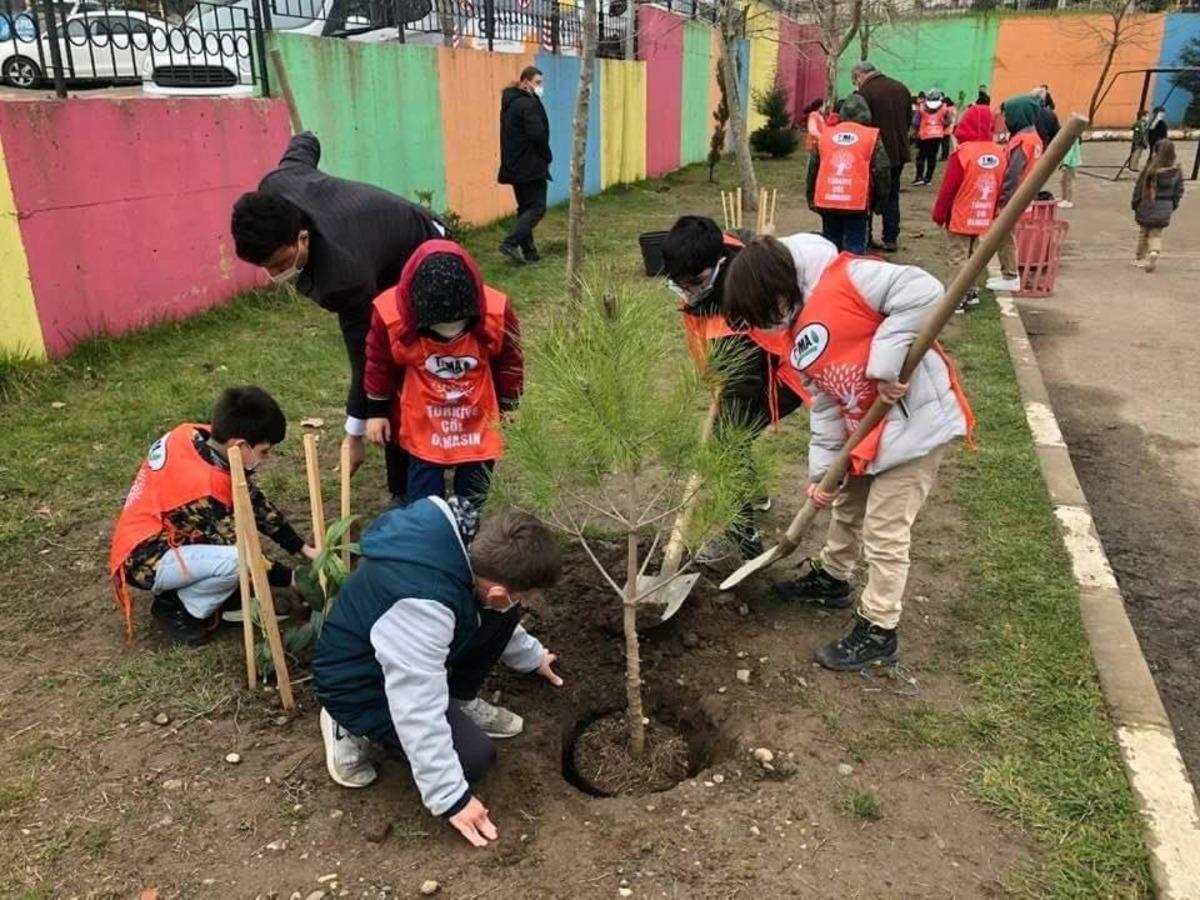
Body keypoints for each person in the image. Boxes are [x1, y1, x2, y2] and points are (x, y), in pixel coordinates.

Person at [720, 236, 974, 671]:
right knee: (848, 507)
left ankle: (879, 628)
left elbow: (926, 290)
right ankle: (833, 578)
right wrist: (824, 473)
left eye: (766, 310)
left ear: (779, 285)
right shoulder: (795, 332)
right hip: (864, 433)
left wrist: (886, 362)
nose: (770, 322)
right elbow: (824, 403)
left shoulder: (849, 278)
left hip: (913, 429)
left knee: (884, 530)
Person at [312, 499, 563, 847]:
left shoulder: (470, 546)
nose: (528, 602)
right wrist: (451, 798)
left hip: (406, 656)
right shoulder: (424, 605)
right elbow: (416, 706)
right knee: (473, 760)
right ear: (497, 590)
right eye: (526, 595)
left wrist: (533, 657)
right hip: (358, 683)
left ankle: (460, 701)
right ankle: (346, 723)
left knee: (502, 614)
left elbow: (497, 617)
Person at [231, 133, 448, 505]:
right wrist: (308, 136)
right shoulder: (278, 185)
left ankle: (409, 486)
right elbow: (303, 146)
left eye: (281, 264)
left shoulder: (343, 276)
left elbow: (366, 355)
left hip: (422, 251)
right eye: (268, 268)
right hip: (377, 242)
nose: (277, 275)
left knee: (404, 367)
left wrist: (355, 433)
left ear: (302, 238)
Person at [108, 387, 317, 644]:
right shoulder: (203, 489)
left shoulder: (195, 435)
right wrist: (295, 579)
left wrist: (301, 548)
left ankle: (202, 584)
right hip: (144, 558)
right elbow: (247, 553)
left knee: (230, 557)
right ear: (240, 445)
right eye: (264, 451)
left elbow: (253, 502)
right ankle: (179, 607)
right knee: (237, 560)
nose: (267, 458)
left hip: (157, 530)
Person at [660, 216, 812, 561]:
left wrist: (723, 415)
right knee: (732, 439)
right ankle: (755, 494)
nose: (688, 291)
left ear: (719, 264)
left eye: (695, 282)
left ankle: (741, 537)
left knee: (725, 444)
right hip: (739, 368)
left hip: (775, 376)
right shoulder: (716, 257)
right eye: (679, 283)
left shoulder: (736, 307)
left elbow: (743, 384)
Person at [363, 242, 522, 506]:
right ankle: (425, 522)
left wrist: (510, 404)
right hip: (423, 417)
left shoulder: (496, 311)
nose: (448, 339)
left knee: (473, 492)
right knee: (423, 496)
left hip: (476, 416)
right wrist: (376, 411)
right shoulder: (390, 314)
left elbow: (510, 360)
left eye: (459, 329)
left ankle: (467, 523)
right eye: (438, 331)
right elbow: (379, 363)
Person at [931, 104, 1008, 312]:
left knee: (958, 257)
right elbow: (1000, 185)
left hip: (961, 214)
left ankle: (955, 299)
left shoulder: (962, 153)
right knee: (975, 257)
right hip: (984, 213)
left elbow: (949, 188)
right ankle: (971, 291)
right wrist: (993, 210)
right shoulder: (1000, 153)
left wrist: (939, 214)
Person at [806, 94, 891, 254]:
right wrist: (881, 202)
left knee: (830, 247)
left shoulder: (826, 135)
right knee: (854, 249)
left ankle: (831, 269)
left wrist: (810, 196)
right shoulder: (871, 137)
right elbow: (882, 170)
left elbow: (813, 168)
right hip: (856, 202)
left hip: (828, 199)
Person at [985, 95, 1045, 294]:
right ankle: (1008, 274)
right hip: (1023, 196)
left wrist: (1002, 201)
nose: (1005, 119)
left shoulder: (1022, 141)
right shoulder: (1034, 138)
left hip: (1014, 198)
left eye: (1007, 115)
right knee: (1006, 236)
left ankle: (1010, 276)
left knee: (1005, 236)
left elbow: (1012, 174)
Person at [852, 61, 912, 253]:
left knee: (867, 195)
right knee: (892, 195)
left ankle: (866, 236)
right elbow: (909, 120)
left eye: (855, 79)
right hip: (898, 153)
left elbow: (859, 125)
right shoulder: (901, 88)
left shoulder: (864, 94)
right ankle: (890, 238)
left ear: (860, 75)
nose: (856, 83)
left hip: (872, 154)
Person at [498, 66, 552, 266]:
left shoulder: (510, 104)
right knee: (537, 208)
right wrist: (547, 156)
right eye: (537, 83)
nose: (540, 87)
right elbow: (537, 134)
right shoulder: (528, 104)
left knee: (525, 208)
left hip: (514, 165)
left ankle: (530, 252)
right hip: (530, 164)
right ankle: (510, 242)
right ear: (525, 82)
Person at [1132, 138, 1185, 273]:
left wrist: (1135, 203)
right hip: (1166, 204)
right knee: (1156, 233)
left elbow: (1139, 187)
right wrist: (1173, 204)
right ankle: (1154, 251)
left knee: (1144, 232)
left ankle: (1140, 258)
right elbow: (1179, 190)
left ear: (1156, 152)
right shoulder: (1177, 171)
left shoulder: (1150, 169)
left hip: (1147, 203)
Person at [912, 90, 953, 186]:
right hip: (937, 135)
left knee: (921, 156)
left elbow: (915, 122)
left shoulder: (922, 107)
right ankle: (928, 178)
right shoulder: (944, 107)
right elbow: (949, 120)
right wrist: (941, 126)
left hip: (924, 134)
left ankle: (919, 177)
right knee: (932, 156)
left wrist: (917, 130)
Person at [1058, 135, 1082, 209]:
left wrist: (1065, 164)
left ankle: (1068, 200)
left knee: (1068, 181)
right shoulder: (1073, 137)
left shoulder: (1072, 137)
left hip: (1071, 163)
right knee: (1063, 181)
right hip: (1069, 162)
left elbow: (1070, 152)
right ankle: (1064, 198)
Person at [939, 95, 957, 161]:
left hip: (945, 128)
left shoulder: (947, 109)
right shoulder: (953, 108)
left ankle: (944, 156)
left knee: (944, 143)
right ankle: (946, 155)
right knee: (947, 143)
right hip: (951, 127)